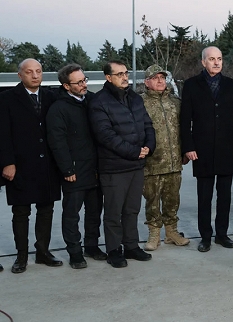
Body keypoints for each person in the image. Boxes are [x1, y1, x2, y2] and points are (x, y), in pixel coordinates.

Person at [89, 60, 155, 268]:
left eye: (126, 73)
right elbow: (106, 136)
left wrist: (148, 147)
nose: (125, 77)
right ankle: (114, 250)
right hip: (114, 168)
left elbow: (147, 125)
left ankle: (131, 246)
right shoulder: (99, 102)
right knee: (113, 212)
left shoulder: (135, 98)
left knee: (132, 209)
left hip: (136, 165)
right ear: (108, 77)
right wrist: (135, 151)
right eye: (119, 74)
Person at [180, 46, 233, 253]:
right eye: (211, 59)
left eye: (219, 58)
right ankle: (205, 236)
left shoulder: (230, 85)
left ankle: (222, 234)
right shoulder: (191, 85)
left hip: (227, 149)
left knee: (225, 195)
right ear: (203, 62)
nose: (216, 62)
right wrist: (188, 147)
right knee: (204, 196)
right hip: (202, 149)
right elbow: (184, 120)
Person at [0, 58, 62, 273]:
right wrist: (8, 162)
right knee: (21, 212)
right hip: (20, 166)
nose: (35, 75)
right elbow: (3, 134)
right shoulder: (7, 99)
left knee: (46, 210)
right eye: (29, 72)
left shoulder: (52, 96)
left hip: (47, 165)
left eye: (38, 71)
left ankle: (43, 252)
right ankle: (22, 256)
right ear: (20, 75)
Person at [46, 64, 106, 269]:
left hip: (95, 169)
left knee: (94, 211)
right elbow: (57, 142)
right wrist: (67, 169)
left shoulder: (91, 101)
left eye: (84, 80)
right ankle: (74, 252)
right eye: (78, 82)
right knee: (72, 214)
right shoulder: (58, 109)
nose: (83, 85)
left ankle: (92, 246)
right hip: (74, 171)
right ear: (66, 85)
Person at [139, 65, 190, 251]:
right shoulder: (140, 103)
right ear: (147, 82)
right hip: (152, 163)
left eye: (162, 77)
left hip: (174, 161)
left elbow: (185, 129)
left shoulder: (175, 102)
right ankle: (154, 233)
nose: (160, 81)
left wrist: (185, 150)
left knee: (172, 199)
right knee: (152, 200)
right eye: (155, 78)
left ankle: (171, 232)